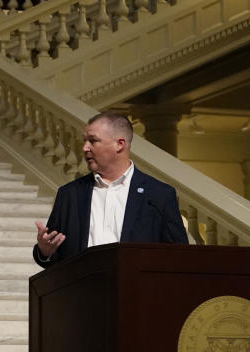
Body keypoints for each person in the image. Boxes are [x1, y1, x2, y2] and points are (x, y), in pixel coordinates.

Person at [34, 111, 187, 268]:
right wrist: (44, 252)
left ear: (119, 144)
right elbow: (53, 253)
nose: (85, 147)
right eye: (84, 141)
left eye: (93, 141)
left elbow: (179, 256)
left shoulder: (159, 195)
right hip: (82, 291)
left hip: (136, 291)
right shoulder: (69, 194)